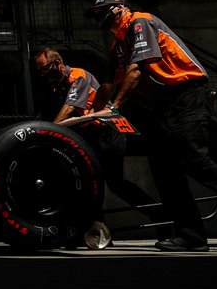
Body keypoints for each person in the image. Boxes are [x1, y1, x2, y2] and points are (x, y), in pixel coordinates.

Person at [86, 0, 217, 252]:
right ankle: (191, 234)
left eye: (101, 11)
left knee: (191, 158)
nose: (98, 18)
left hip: (187, 92)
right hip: (163, 102)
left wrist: (115, 107)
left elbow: (136, 70)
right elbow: (111, 82)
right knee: (162, 167)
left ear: (119, 8)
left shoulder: (140, 22)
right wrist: (95, 112)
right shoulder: (117, 43)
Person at [32, 47, 159, 223]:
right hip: (90, 135)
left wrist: (49, 133)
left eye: (44, 68)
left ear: (58, 63)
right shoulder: (58, 85)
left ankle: (162, 217)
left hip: (107, 133)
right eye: (40, 70)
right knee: (88, 181)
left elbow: (69, 108)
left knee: (114, 184)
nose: (42, 74)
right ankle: (95, 229)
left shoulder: (78, 76)